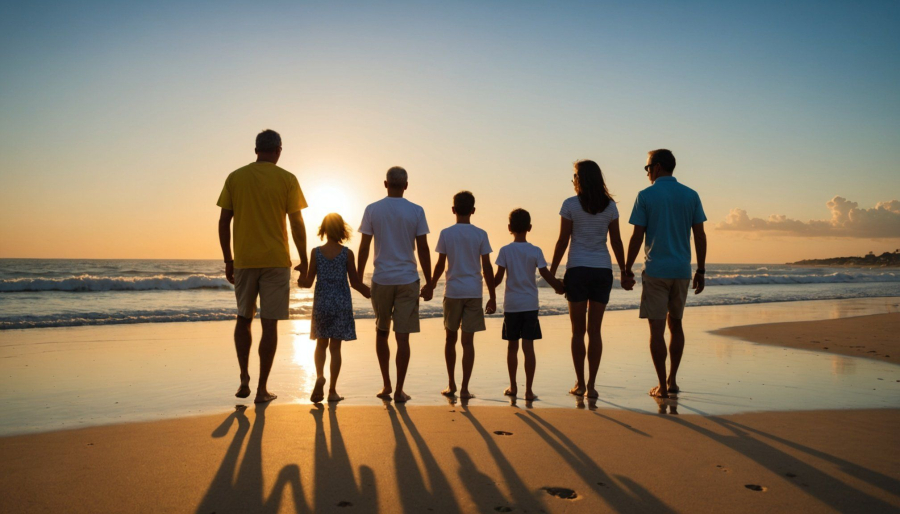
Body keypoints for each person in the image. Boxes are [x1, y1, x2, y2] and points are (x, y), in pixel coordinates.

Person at [217, 129, 307, 404]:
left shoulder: (236, 177)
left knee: (243, 318)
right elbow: (296, 223)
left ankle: (244, 377)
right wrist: (304, 259)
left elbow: (224, 222)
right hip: (276, 261)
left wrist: (228, 260)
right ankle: (261, 389)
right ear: (278, 150)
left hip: (244, 260)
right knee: (270, 325)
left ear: (256, 150)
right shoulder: (287, 179)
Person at [623, 149, 707, 399]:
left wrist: (626, 269)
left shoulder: (646, 196)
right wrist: (701, 269)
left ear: (657, 167)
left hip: (657, 270)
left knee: (657, 331)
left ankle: (661, 384)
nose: (647, 172)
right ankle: (672, 381)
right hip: (682, 270)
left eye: (647, 168)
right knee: (677, 326)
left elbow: (637, 236)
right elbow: (699, 235)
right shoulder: (691, 195)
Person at [550, 160, 626, 399]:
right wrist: (623, 270)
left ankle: (580, 383)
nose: (573, 179)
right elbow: (616, 242)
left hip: (578, 271)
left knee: (577, 331)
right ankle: (592, 385)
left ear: (580, 179)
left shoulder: (570, 204)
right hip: (602, 270)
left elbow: (563, 241)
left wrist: (552, 273)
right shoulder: (610, 206)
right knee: (595, 331)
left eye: (574, 175)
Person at [357, 166, 432, 403]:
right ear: (406, 185)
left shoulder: (372, 209)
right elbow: (423, 249)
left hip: (381, 279)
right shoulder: (416, 211)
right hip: (408, 279)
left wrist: (358, 279)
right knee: (403, 338)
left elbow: (364, 246)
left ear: (385, 184)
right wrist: (430, 282)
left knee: (381, 333)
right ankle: (399, 390)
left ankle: (387, 385)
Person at [422, 191, 496, 399]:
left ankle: (451, 384)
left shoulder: (447, 233)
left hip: (453, 291)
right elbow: (487, 268)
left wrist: (431, 285)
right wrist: (492, 295)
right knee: (468, 342)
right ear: (473, 210)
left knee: (450, 339)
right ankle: (464, 388)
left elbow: (440, 264)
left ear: (453, 210)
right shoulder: (480, 234)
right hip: (473, 292)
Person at [298, 213, 371, 403]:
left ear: (323, 230)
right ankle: (332, 391)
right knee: (335, 348)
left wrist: (300, 277)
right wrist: (371, 293)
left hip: (322, 303)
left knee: (320, 344)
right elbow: (355, 283)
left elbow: (307, 283)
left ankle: (320, 376)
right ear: (341, 230)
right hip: (341, 303)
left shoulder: (316, 252)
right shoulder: (347, 253)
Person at [494, 208, 564, 401]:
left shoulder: (505, 251)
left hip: (512, 305)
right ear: (530, 227)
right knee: (528, 347)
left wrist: (484, 287)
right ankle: (529, 390)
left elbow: (498, 279)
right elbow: (545, 274)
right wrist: (560, 287)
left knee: (512, 347)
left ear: (509, 228)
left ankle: (513, 386)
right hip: (530, 304)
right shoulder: (535, 251)